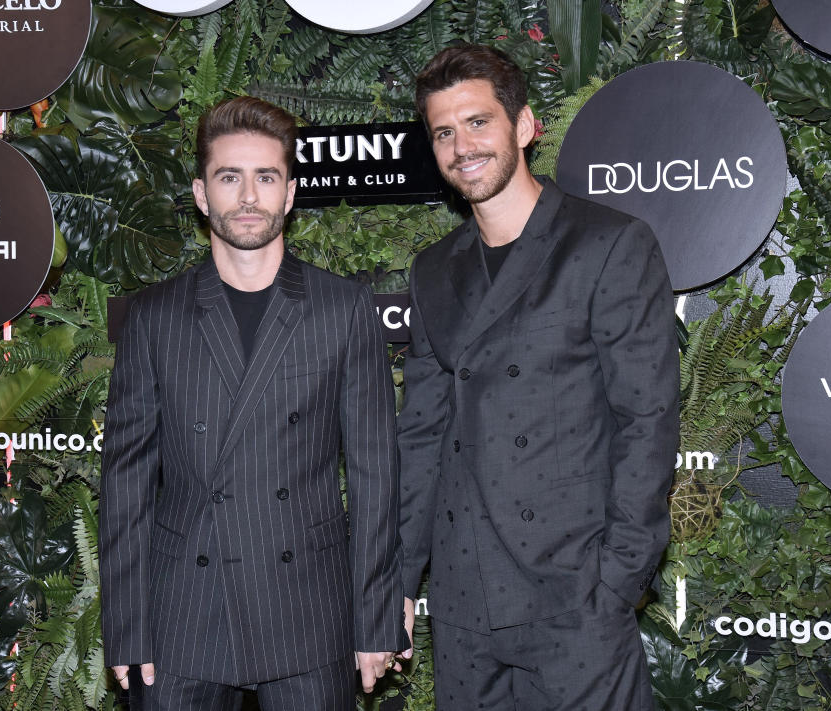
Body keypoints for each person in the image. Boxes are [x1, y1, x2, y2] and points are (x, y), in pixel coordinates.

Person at [99, 96, 409, 710]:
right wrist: (127, 627)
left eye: (265, 177)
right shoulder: (156, 316)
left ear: (289, 194)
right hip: (182, 611)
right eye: (228, 177)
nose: (247, 196)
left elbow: (376, 474)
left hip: (308, 611)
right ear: (200, 193)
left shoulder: (340, 309)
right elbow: (125, 482)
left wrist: (374, 617)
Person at [397, 45, 679, 711]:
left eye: (477, 122)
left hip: (574, 597)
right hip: (467, 605)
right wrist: (400, 580)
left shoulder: (606, 244)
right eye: (443, 131)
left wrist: (616, 584)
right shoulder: (434, 269)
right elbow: (421, 437)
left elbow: (646, 422)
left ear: (524, 126)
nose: (461, 145)